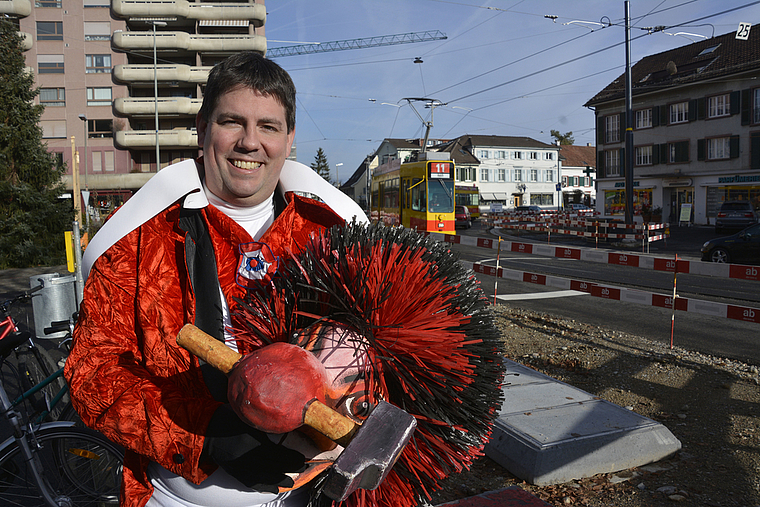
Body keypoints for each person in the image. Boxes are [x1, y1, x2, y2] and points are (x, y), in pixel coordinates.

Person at [64, 52, 368, 507]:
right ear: (204, 130)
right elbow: (94, 374)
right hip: (176, 498)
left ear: (289, 140)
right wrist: (203, 437)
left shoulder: (336, 237)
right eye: (232, 122)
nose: (250, 142)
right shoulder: (138, 242)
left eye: (268, 126)